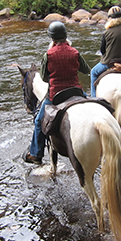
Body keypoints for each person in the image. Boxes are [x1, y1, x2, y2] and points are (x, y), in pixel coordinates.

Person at [23, 21, 90, 165]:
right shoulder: (75, 52)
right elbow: (86, 70)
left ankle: (35, 154)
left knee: (38, 121)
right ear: (65, 36)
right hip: (76, 91)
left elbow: (44, 77)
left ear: (52, 38)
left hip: (55, 94)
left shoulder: (49, 54)